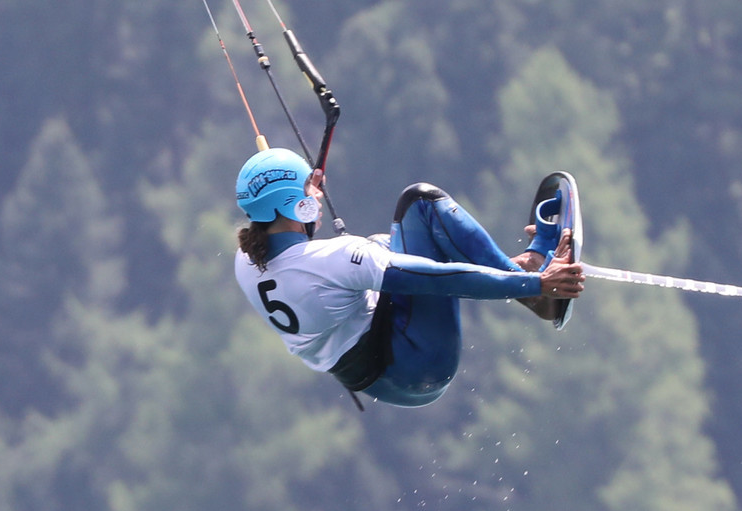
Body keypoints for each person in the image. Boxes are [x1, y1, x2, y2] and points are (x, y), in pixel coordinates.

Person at [234, 148, 585, 408]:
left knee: (384, 245)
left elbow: (290, 239)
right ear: (291, 204)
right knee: (420, 202)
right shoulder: (334, 260)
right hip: (416, 359)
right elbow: (438, 280)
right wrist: (536, 283)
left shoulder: (246, 260)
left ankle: (521, 266)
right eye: (311, 189)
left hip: (383, 383)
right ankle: (538, 292)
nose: (319, 194)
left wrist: (284, 180)